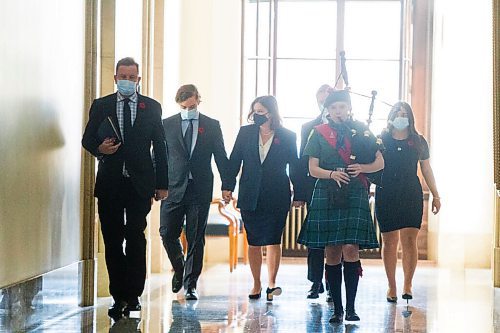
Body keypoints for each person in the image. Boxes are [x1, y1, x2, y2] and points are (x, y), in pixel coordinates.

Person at [82, 57, 168, 319]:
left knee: (136, 237)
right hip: (110, 184)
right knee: (112, 239)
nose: (127, 81)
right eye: (123, 76)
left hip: (140, 184)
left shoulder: (151, 107)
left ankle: (134, 295)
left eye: (132, 77)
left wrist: (162, 184)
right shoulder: (101, 105)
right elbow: (87, 139)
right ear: (115, 78)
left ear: (138, 80)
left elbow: (160, 147)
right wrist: (100, 149)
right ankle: (118, 296)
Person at [297, 90, 383, 323]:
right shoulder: (318, 133)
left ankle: (352, 308)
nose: (338, 111)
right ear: (327, 109)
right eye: (333, 107)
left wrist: (362, 168)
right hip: (327, 190)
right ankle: (337, 308)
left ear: (349, 109)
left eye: (342, 107)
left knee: (351, 249)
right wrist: (332, 173)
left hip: (354, 190)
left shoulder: (363, 131)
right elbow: (312, 168)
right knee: (332, 251)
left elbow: (379, 162)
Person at [228, 95, 305, 302]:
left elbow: (295, 166)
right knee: (253, 241)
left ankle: (272, 283)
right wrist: (228, 187)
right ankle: (256, 283)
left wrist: (299, 194)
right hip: (250, 193)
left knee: (273, 238)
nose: (256, 115)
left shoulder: (287, 136)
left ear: (271, 113)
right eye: (254, 111)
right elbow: (234, 160)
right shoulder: (245, 133)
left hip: (277, 194)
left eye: (260, 111)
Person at [160, 84, 232, 301]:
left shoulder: (211, 125)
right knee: (167, 232)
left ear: (198, 100)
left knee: (195, 236)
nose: (188, 110)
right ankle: (180, 268)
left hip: (199, 189)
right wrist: (156, 184)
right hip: (173, 187)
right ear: (179, 104)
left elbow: (221, 156)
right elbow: (160, 158)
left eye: (192, 106)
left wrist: (227, 185)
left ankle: (191, 284)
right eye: (184, 107)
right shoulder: (167, 125)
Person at [375, 101, 441, 303]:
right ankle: (392, 286)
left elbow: (426, 168)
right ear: (391, 117)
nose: (401, 117)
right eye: (397, 113)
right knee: (389, 242)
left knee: (410, 241)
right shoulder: (381, 139)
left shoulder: (418, 141)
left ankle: (407, 284)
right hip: (386, 193)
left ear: (410, 118)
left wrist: (436, 194)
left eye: (405, 114)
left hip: (410, 193)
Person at [299, 84, 333, 300]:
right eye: (321, 101)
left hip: (340, 188)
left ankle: (332, 283)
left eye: (327, 100)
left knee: (335, 240)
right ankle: (315, 282)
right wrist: (300, 193)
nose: (324, 104)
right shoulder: (308, 127)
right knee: (316, 239)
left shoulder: (350, 127)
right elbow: (303, 162)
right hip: (315, 189)